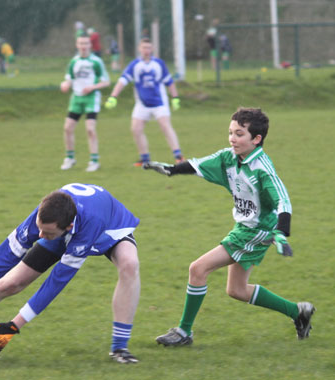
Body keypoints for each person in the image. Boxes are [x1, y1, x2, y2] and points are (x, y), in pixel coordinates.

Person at [0, 183, 141, 363]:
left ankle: (120, 347)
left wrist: (15, 324)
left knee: (129, 264)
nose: (39, 236)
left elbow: (56, 282)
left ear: (68, 228)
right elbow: (4, 256)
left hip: (109, 228)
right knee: (9, 284)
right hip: (66, 228)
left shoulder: (89, 223)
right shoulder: (44, 220)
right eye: (39, 228)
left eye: (45, 232)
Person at [143, 107, 315, 347]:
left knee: (198, 269)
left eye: (240, 134)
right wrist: (171, 170)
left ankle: (184, 332)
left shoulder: (262, 169)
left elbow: (283, 200)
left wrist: (281, 232)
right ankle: (298, 312)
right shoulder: (229, 158)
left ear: (256, 139)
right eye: (231, 132)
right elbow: (198, 164)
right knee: (236, 290)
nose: (233, 138)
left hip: (257, 231)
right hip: (243, 228)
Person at [104, 38, 184, 167]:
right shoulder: (134, 65)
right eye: (144, 47)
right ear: (139, 49)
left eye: (148, 47)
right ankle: (145, 158)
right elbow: (122, 81)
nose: (146, 50)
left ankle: (178, 156)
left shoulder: (159, 64)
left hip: (160, 103)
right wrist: (113, 96)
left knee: (165, 126)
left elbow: (169, 82)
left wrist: (175, 98)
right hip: (142, 104)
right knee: (136, 129)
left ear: (152, 49)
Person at [59, 35, 110, 172]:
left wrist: (92, 88)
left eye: (86, 43)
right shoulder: (74, 62)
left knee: (90, 129)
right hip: (76, 98)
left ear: (90, 45)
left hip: (91, 98)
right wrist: (65, 84)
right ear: (77, 45)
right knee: (67, 128)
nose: (83, 46)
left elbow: (106, 81)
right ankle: (70, 158)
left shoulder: (96, 62)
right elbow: (69, 79)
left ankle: (94, 161)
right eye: (81, 43)